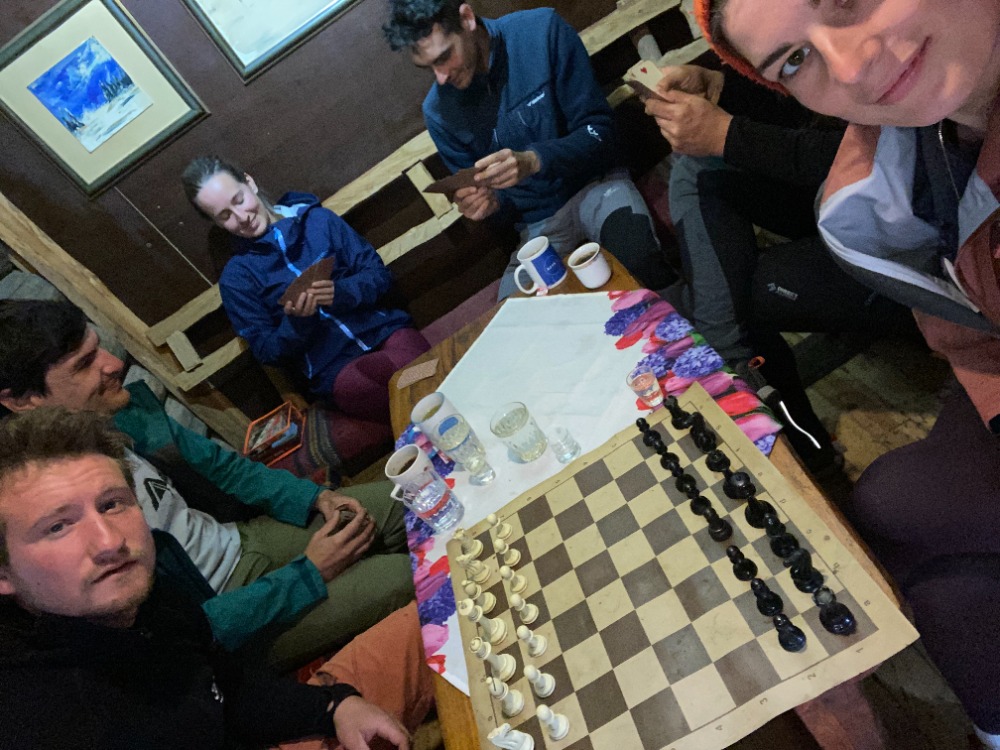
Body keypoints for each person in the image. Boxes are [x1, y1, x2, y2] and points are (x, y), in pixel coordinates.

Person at [687, 0, 1000, 745]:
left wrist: (726, 132)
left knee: (886, 517)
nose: (852, 66)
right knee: (920, 564)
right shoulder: (925, 141)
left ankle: (751, 395)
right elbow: (969, 344)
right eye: (795, 59)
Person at [0, 299, 415, 671]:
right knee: (401, 576)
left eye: (100, 347)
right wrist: (308, 574)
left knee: (410, 499)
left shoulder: (122, 413)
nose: (113, 365)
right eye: (84, 364)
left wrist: (314, 496)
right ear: (21, 401)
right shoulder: (35, 510)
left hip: (242, 540)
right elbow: (176, 634)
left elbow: (227, 468)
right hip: (224, 614)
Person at [0, 406, 429, 750]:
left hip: (275, 716)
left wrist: (333, 705)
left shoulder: (150, 598)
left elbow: (222, 683)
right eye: (58, 527)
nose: (110, 541)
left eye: (112, 504)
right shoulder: (44, 720)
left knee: (438, 607)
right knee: (405, 582)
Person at [644, 59, 914, 472]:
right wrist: (722, 88)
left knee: (751, 294)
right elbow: (803, 115)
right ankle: (734, 368)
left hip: (905, 228)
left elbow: (876, 156)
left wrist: (727, 134)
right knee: (695, 172)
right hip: (832, 198)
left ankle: (796, 444)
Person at [382, 0, 675, 299]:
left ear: (467, 19)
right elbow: (499, 212)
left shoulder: (540, 31)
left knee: (642, 263)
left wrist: (536, 160)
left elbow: (601, 131)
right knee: (515, 317)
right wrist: (489, 204)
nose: (441, 76)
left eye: (444, 56)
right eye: (428, 67)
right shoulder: (439, 112)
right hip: (538, 225)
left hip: (599, 185)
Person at [181, 155, 430, 427]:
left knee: (415, 370)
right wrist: (297, 324)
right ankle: (428, 427)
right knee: (373, 384)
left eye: (239, 200)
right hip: (334, 367)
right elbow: (266, 350)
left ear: (249, 183)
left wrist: (340, 293)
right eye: (225, 216)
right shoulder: (236, 278)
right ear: (216, 222)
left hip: (385, 331)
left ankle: (421, 428)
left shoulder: (319, 221)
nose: (242, 217)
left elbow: (379, 276)